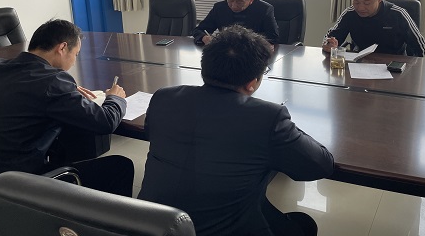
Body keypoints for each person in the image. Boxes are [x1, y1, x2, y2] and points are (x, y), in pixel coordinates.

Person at [139, 25, 334, 236]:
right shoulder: (267, 117)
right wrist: (282, 130)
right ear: (252, 84)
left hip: (151, 226)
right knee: (303, 225)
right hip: (221, 229)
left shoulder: (164, 97)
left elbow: (152, 135)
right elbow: (321, 165)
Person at [0, 19, 134, 204]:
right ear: (62, 48)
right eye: (75, 54)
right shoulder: (52, 83)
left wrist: (66, 90)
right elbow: (105, 122)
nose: (74, 61)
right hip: (12, 190)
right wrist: (116, 98)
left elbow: (26, 93)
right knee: (120, 167)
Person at [323, 0, 425, 57]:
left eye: (367, 3)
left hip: (393, 64)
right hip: (361, 62)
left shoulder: (398, 14)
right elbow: (331, 37)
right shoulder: (350, 13)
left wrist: (423, 70)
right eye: (356, 2)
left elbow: (420, 46)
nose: (360, 8)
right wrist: (329, 43)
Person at [192, 0, 279, 45]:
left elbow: (273, 37)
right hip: (225, 52)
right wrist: (204, 37)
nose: (233, 5)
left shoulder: (264, 9)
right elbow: (199, 30)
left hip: (251, 53)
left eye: (239, 2)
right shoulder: (219, 8)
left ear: (251, 0)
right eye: (230, 0)